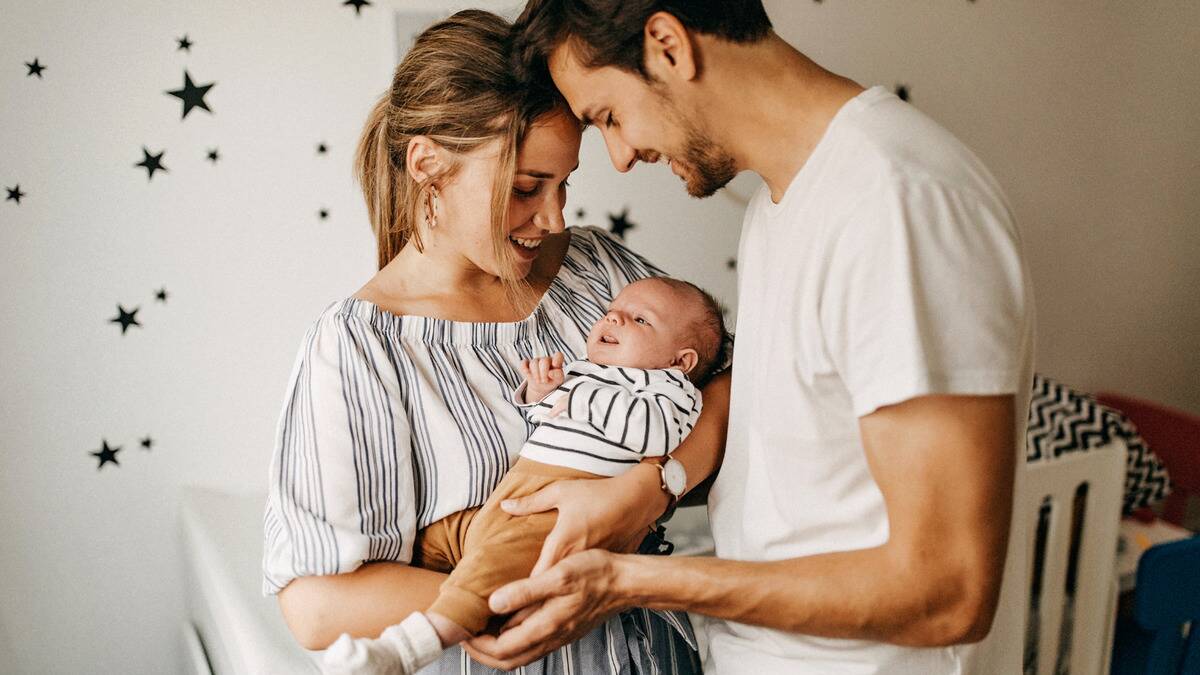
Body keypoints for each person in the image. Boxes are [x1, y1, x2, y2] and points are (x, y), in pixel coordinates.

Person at [463, 2, 1037, 673]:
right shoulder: (780, 204)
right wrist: (657, 483)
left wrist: (625, 580)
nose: (620, 158)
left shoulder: (898, 203)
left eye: (609, 117)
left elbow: (947, 591)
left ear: (669, 45)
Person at [260, 10, 731, 674]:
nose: (555, 217)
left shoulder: (595, 269)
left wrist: (655, 487)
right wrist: (557, 594)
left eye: (565, 184)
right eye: (525, 188)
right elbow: (316, 605)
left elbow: (732, 376)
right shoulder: (360, 347)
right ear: (429, 166)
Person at [320, 277, 727, 674]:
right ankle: (415, 605)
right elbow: (546, 423)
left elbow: (649, 434)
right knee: (432, 538)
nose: (614, 320)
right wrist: (540, 393)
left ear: (680, 360)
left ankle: (407, 649)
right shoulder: (587, 371)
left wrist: (573, 394)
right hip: (514, 495)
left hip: (559, 509)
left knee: (491, 571)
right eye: (611, 311)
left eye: (640, 320)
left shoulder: (671, 391)